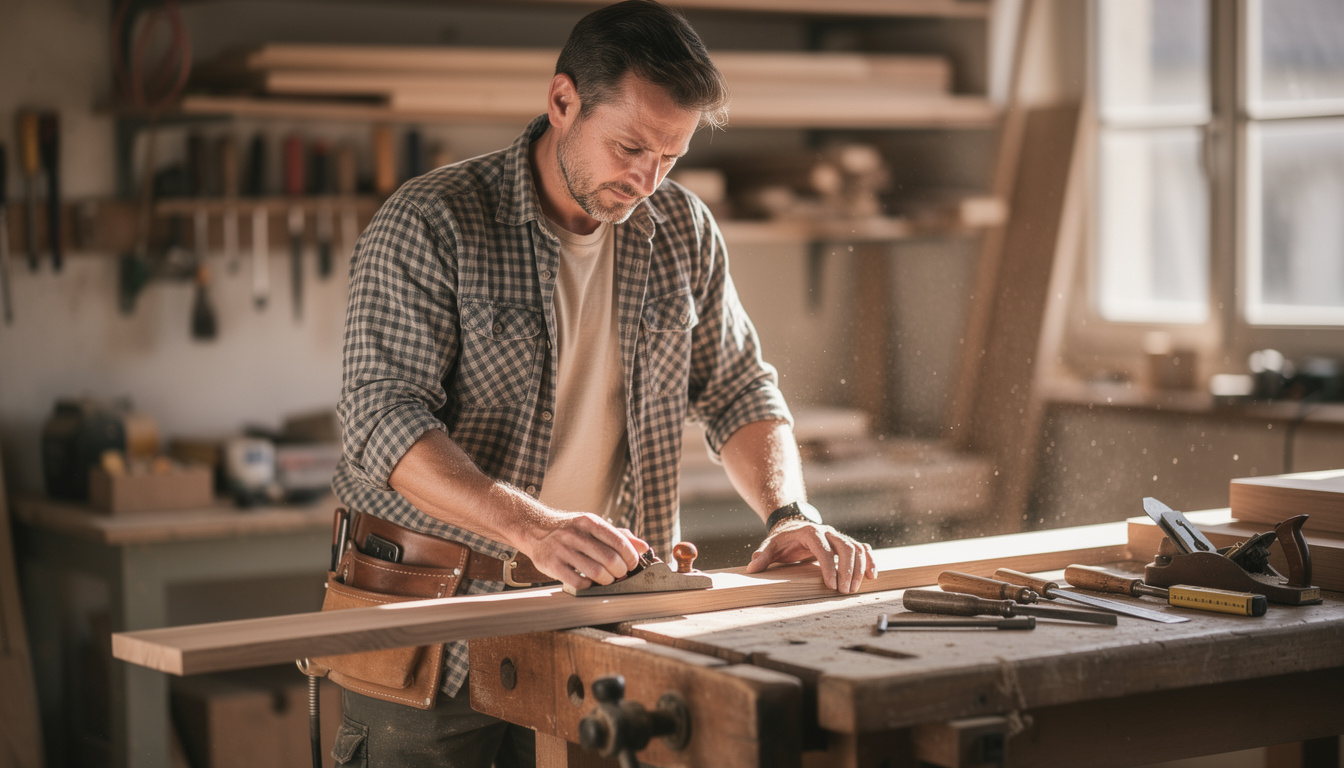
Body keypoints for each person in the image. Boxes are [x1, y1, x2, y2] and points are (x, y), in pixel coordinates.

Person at [330, 1, 878, 765]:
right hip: (434, 622)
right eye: (629, 147)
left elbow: (738, 389)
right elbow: (381, 422)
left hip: (601, 621)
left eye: (670, 158)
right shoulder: (432, 223)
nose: (647, 180)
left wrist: (789, 512)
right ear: (562, 103)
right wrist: (534, 530)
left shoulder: (680, 231)